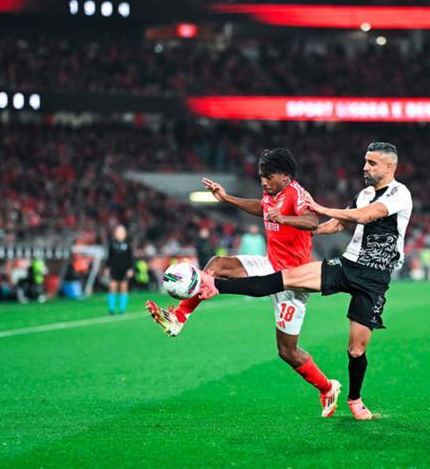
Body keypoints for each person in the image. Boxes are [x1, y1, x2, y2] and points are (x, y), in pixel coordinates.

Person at [197, 142, 412, 420]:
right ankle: (217, 286)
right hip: (347, 266)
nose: (365, 167)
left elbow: (365, 216)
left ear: (390, 167)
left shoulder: (399, 193)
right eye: (365, 161)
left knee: (356, 349)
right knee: (283, 279)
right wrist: (311, 230)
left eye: (372, 163)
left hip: (373, 279)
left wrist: (319, 207)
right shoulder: (364, 193)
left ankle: (355, 400)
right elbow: (339, 225)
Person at [146, 148, 341, 418]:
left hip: (293, 279)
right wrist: (226, 198)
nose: (263, 181)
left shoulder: (296, 194)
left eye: (268, 176)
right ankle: (179, 317)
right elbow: (260, 208)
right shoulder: (271, 192)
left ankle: (327, 387)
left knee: (287, 351)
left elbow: (311, 220)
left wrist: (284, 219)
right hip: (269, 263)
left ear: (284, 175)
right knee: (216, 265)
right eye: (261, 176)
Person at [106, 225, 133, 314]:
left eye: (121, 232)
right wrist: (107, 267)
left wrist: (130, 269)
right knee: (112, 286)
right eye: (118, 232)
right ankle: (111, 309)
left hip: (125, 269)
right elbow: (109, 257)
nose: (120, 234)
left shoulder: (128, 244)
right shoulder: (112, 243)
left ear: (125, 234)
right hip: (114, 268)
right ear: (115, 234)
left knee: (123, 287)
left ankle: (122, 309)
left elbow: (131, 258)